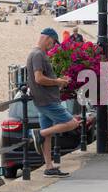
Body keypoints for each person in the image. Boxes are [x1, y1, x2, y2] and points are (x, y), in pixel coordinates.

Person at [26, 28, 81, 177]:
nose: (53, 45)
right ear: (48, 38)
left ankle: (49, 167)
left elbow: (41, 78)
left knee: (48, 137)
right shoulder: (38, 54)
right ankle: (39, 133)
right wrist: (57, 82)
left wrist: (60, 81)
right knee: (72, 123)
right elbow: (39, 78)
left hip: (42, 99)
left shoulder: (36, 53)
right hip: (47, 100)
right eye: (53, 42)